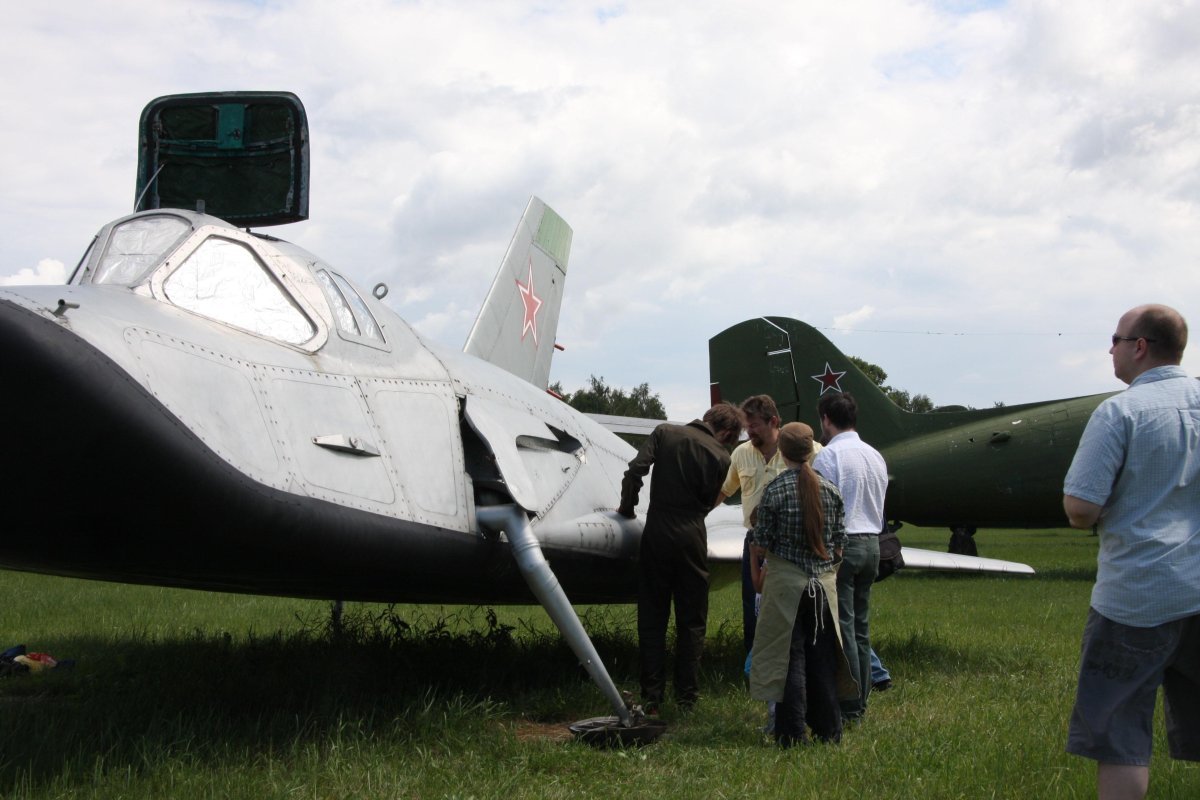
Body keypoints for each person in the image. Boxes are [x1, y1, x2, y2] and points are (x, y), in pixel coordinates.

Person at [1062, 304, 1200, 800]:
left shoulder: (1119, 411)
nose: (1110, 349)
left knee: (1120, 737)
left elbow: (1080, 507)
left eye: (1116, 339)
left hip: (1136, 597)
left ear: (1139, 346)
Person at [618, 402, 744, 712]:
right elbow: (713, 499)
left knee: (652, 616)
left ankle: (652, 696)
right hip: (692, 534)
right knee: (692, 620)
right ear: (726, 432)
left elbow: (635, 470)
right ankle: (686, 697)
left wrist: (627, 507)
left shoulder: (665, 432)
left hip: (657, 530)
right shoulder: (722, 456)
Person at [749, 422, 850, 746]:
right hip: (822, 586)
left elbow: (760, 541)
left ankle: (791, 734)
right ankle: (829, 729)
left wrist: (759, 569)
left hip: (784, 586)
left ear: (782, 451)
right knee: (822, 658)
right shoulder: (831, 491)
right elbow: (838, 544)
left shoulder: (775, 490)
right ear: (810, 450)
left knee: (787, 658)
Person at [812, 391, 888, 721]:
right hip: (873, 544)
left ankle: (851, 705)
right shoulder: (875, 455)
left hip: (843, 545)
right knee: (861, 627)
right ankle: (864, 697)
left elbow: (823, 507)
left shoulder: (828, 457)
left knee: (841, 630)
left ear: (826, 419)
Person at [716, 395, 787, 656]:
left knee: (789, 601)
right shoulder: (741, 454)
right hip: (755, 541)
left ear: (774, 421)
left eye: (754, 425)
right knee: (752, 601)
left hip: (789, 540)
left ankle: (789, 656)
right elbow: (724, 490)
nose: (749, 432)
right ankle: (754, 659)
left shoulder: (802, 450)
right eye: (747, 426)